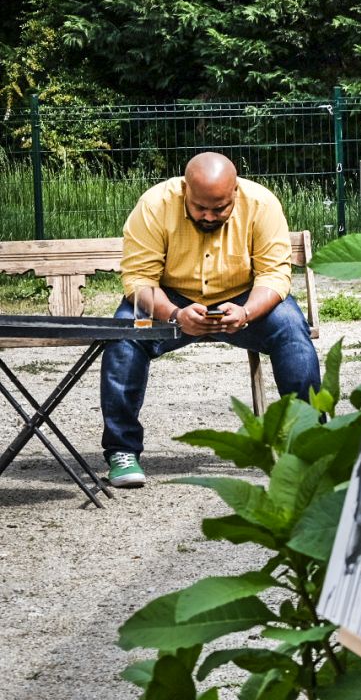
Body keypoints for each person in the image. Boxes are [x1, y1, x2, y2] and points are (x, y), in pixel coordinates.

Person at [100, 151, 320, 487]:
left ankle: (310, 445)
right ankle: (122, 450)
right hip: (169, 300)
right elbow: (140, 280)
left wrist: (246, 312)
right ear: (185, 189)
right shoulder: (154, 205)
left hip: (245, 299)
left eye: (220, 208)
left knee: (291, 329)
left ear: (235, 191)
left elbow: (274, 276)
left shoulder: (262, 204)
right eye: (200, 207)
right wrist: (175, 315)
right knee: (126, 334)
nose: (208, 215)